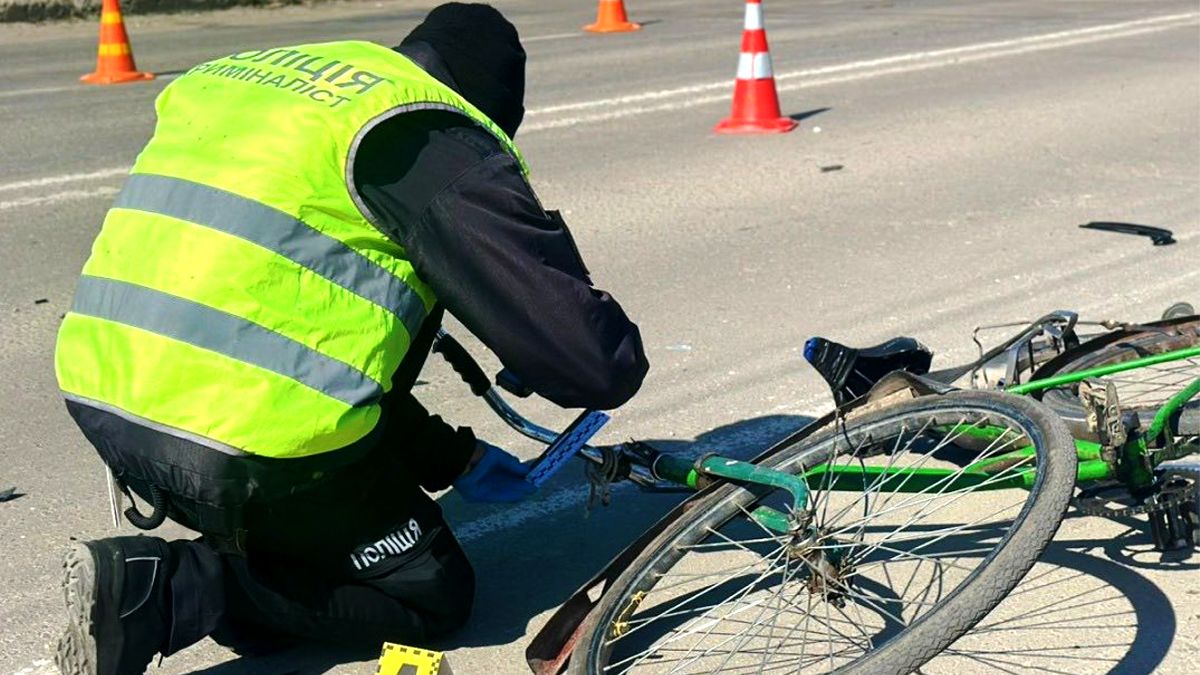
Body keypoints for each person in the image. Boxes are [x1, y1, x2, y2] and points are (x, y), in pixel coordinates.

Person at [51, 4, 648, 674]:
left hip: (106, 394)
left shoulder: (310, 93)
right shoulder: (430, 135)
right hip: (237, 442)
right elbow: (590, 364)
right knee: (433, 592)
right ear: (491, 110)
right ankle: (172, 587)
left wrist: (454, 458)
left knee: (314, 531)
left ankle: (253, 559)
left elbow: (305, 340)